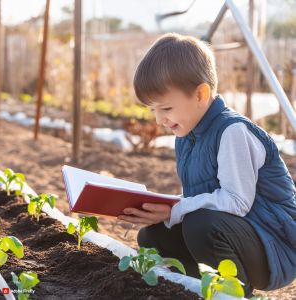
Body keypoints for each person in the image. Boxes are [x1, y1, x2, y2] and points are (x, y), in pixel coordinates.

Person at [117, 33, 296, 297]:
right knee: (152, 237)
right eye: (152, 110)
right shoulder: (187, 137)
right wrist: (160, 208)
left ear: (201, 93)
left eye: (165, 108)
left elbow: (236, 202)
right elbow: (200, 198)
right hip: (239, 236)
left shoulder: (232, 131)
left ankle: (234, 293)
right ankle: (196, 291)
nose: (159, 120)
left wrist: (174, 209)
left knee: (200, 225)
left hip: (276, 247)